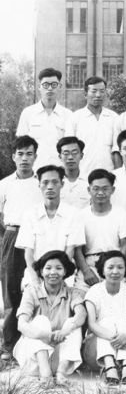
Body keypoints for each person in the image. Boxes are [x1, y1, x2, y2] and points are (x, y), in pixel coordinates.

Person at [14, 251, 86, 386]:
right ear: (41, 271)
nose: (53, 272)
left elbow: (81, 314)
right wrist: (44, 335)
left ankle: (61, 373)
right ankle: (45, 373)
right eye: (48, 268)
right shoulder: (31, 291)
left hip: (61, 358)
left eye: (58, 268)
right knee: (40, 320)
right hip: (34, 359)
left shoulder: (72, 292)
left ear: (65, 271)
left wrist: (65, 331)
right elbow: (21, 324)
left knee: (73, 323)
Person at [0, 135, 42, 359]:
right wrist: (8, 235)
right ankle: (9, 345)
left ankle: (34, 344)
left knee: (37, 287)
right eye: (20, 154)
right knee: (10, 290)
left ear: (35, 156)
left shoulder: (41, 182)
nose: (24, 158)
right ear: (13, 156)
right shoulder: (4, 184)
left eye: (29, 154)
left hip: (37, 237)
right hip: (12, 235)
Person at [17, 165, 83, 289]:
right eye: (45, 182)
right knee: (32, 297)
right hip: (35, 275)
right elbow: (29, 253)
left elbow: (70, 251)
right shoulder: (30, 214)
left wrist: (59, 278)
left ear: (62, 184)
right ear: (39, 185)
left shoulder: (73, 213)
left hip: (64, 275)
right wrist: (36, 280)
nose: (50, 187)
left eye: (55, 182)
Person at [83, 251, 126, 385]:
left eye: (120, 267)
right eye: (110, 267)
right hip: (96, 353)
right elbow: (92, 324)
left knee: (123, 323)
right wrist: (115, 338)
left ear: (125, 269)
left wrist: (125, 336)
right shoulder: (93, 291)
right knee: (106, 321)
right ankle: (110, 368)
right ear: (102, 269)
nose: (115, 271)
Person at [73, 169, 126, 295]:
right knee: (79, 299)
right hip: (89, 265)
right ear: (89, 190)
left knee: (120, 299)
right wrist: (86, 271)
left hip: (114, 263)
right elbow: (77, 249)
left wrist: (117, 267)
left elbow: (125, 245)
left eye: (105, 189)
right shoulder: (80, 216)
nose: (100, 193)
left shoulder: (122, 214)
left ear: (112, 190)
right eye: (96, 189)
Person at [16, 67, 72, 170]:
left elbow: (70, 147)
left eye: (54, 84)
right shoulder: (28, 113)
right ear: (39, 87)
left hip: (60, 172)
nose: (50, 88)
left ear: (59, 86)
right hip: (34, 171)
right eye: (46, 85)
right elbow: (21, 145)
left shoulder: (68, 115)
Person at [65, 76, 119, 173]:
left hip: (108, 174)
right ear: (85, 94)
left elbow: (117, 149)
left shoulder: (114, 118)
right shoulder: (75, 118)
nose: (98, 95)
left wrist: (118, 174)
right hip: (83, 174)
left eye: (102, 91)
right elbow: (69, 150)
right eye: (94, 91)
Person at [57, 136, 90, 210]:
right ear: (60, 157)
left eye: (74, 153)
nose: (70, 157)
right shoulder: (54, 182)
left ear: (81, 156)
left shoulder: (89, 181)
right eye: (66, 154)